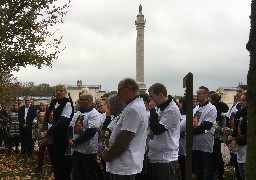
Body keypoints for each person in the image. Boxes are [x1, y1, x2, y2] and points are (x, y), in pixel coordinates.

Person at [102, 78, 148, 180]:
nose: (118, 94)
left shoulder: (134, 109)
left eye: (119, 90)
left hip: (124, 166)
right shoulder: (132, 106)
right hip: (123, 165)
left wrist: (109, 155)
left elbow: (124, 139)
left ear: (129, 88)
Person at [146, 83, 181, 180]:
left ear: (160, 95)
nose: (151, 100)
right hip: (155, 154)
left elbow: (157, 130)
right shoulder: (161, 107)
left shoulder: (172, 110)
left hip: (165, 157)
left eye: (152, 97)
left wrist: (152, 110)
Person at [41, 83, 74, 180]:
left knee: (62, 163)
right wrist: (45, 130)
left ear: (65, 92)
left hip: (61, 137)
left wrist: (49, 131)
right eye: (57, 90)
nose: (58, 92)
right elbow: (48, 118)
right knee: (54, 162)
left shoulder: (67, 103)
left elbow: (63, 121)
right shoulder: (54, 102)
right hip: (52, 137)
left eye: (61, 91)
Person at [68, 92, 101, 180]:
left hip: (88, 149)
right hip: (76, 148)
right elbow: (71, 126)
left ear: (88, 101)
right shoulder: (78, 113)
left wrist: (75, 142)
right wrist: (70, 138)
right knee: (79, 172)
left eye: (81, 100)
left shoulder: (94, 114)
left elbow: (91, 131)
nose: (79, 101)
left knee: (89, 173)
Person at [192, 86, 217, 180]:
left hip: (205, 141)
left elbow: (207, 125)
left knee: (207, 167)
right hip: (195, 142)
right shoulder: (196, 108)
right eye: (197, 94)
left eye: (199, 94)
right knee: (198, 168)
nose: (197, 96)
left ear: (206, 95)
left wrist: (190, 132)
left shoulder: (211, 108)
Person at [225, 84, 247, 180]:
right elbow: (237, 128)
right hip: (238, 147)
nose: (240, 102)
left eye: (243, 100)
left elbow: (249, 134)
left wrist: (236, 139)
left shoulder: (250, 114)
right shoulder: (238, 111)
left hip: (246, 147)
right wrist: (231, 133)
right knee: (239, 172)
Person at [209, 93, 229, 180]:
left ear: (211, 99)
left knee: (215, 155)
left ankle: (217, 173)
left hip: (215, 132)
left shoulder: (213, 108)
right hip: (220, 132)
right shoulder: (224, 107)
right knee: (217, 154)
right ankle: (219, 173)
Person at [178, 96, 186, 180]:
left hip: (186, 146)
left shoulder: (190, 115)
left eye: (180, 103)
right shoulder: (179, 114)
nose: (179, 104)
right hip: (179, 146)